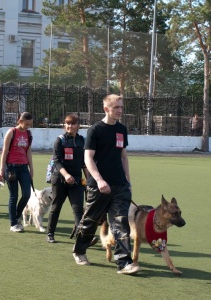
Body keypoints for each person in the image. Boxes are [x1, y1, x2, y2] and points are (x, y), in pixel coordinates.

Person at [72, 94, 141, 275]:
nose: (119, 110)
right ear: (106, 109)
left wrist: (128, 180)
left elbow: (123, 156)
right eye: (116, 107)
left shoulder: (122, 130)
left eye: (121, 107)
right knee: (90, 221)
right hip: (98, 186)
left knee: (120, 223)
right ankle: (79, 251)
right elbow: (88, 158)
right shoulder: (95, 130)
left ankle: (124, 263)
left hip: (120, 185)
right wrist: (100, 180)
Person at [46, 114, 89, 243]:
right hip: (60, 179)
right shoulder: (60, 140)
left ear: (78, 126)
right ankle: (50, 233)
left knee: (78, 210)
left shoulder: (83, 141)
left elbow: (84, 163)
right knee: (56, 206)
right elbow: (57, 161)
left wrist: (90, 181)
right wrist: (66, 175)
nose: (69, 126)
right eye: (67, 123)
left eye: (73, 123)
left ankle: (81, 237)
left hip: (76, 180)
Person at [0, 112, 34, 232]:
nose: (28, 126)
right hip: (11, 168)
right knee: (14, 195)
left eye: (30, 124)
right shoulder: (11, 132)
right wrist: (1, 169)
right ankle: (13, 223)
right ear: (20, 121)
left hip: (23, 168)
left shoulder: (28, 133)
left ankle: (17, 215)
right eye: (26, 124)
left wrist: (31, 168)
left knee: (27, 194)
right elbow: (5, 151)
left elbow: (28, 151)